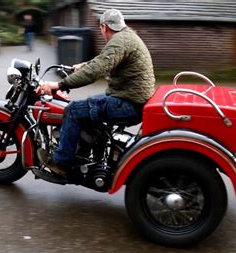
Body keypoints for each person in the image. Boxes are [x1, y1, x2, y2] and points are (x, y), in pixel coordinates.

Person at [38, 9, 155, 178]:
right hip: (131, 99)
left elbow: (97, 70)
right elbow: (104, 59)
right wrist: (85, 64)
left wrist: (59, 85)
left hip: (128, 104)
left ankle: (61, 163)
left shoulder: (119, 41)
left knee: (72, 110)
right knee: (88, 105)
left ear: (103, 27)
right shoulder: (127, 36)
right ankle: (87, 154)